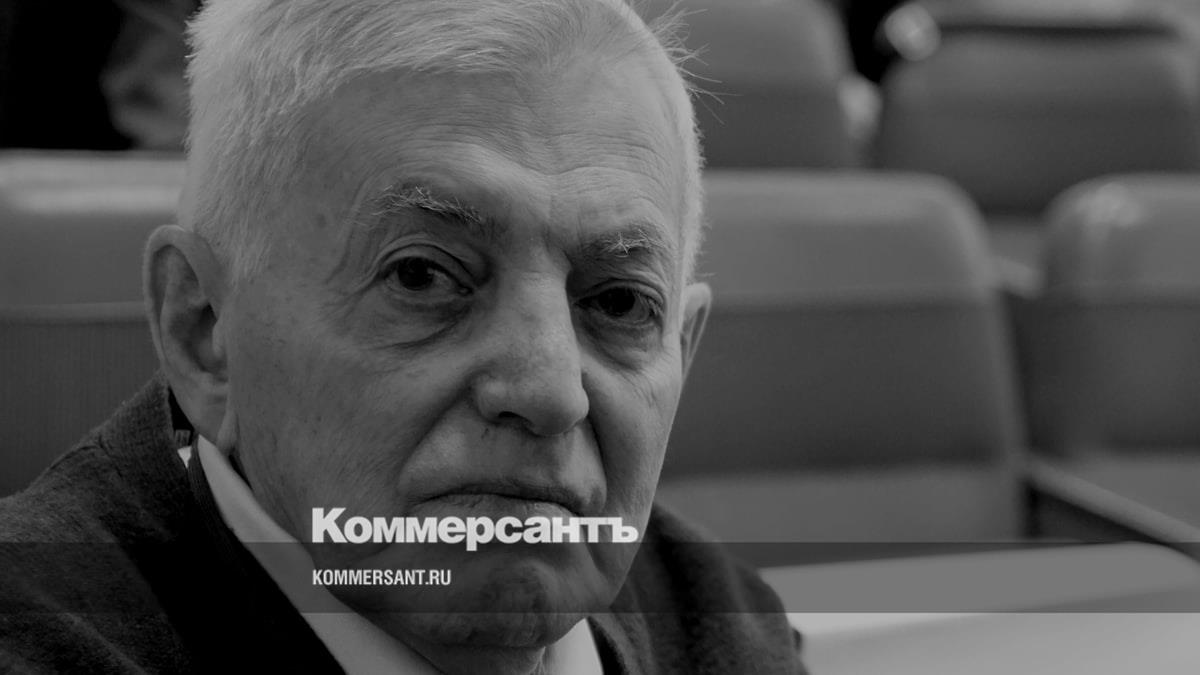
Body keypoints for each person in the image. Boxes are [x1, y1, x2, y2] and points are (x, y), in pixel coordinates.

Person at [0, 1, 806, 673]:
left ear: (682, 351)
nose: (550, 392)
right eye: (422, 276)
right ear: (205, 330)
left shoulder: (720, 621)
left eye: (620, 302)